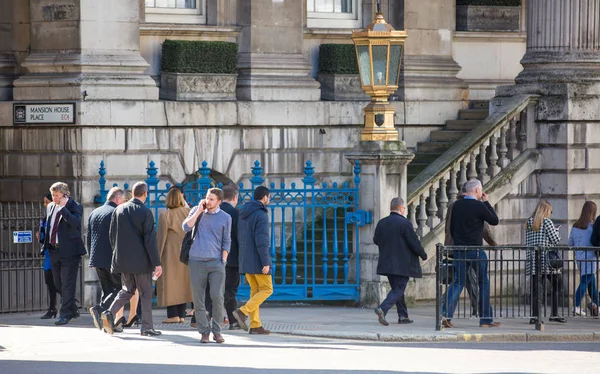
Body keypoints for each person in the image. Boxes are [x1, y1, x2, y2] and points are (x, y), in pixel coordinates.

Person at [101, 181, 163, 336]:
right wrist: (157, 263)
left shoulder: (118, 209)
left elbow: (111, 235)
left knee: (127, 290)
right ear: (145, 194)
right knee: (146, 293)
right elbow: (150, 240)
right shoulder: (145, 212)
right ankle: (147, 327)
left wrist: (118, 255)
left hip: (122, 260)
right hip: (141, 262)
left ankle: (109, 312)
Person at [441, 179, 500, 328]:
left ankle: (445, 315)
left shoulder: (456, 206)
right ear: (477, 191)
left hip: (460, 250)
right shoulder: (479, 206)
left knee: (458, 282)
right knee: (483, 283)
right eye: (481, 191)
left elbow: (452, 229)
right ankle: (485, 319)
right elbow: (494, 220)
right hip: (475, 250)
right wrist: (486, 202)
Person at [182, 187, 231, 343]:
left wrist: (223, 259)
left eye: (211, 199)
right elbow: (185, 227)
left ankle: (217, 331)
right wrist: (198, 212)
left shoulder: (226, 217)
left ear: (219, 202)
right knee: (198, 299)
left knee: (217, 297)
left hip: (216, 262)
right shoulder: (197, 211)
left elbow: (227, 240)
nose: (208, 201)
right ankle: (204, 331)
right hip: (196, 260)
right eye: (207, 198)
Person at [373, 197, 427, 326]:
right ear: (402, 208)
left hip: (387, 262)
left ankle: (403, 316)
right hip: (402, 264)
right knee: (398, 290)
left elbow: (376, 240)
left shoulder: (382, 222)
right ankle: (383, 308)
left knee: (397, 290)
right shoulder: (405, 223)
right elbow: (414, 243)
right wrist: (423, 255)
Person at [43, 182, 87, 326]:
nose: (54, 198)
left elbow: (75, 222)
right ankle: (73, 308)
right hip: (54, 250)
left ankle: (65, 313)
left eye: (57, 195)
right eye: (53, 195)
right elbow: (49, 225)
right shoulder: (50, 207)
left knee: (68, 284)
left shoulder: (75, 206)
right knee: (57, 283)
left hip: (69, 252)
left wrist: (63, 209)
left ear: (65, 194)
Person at [233, 186, 273, 335]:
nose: (269, 200)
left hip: (245, 258)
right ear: (264, 197)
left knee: (255, 291)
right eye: (269, 197)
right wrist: (266, 262)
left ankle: (255, 325)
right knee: (267, 289)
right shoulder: (261, 214)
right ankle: (243, 312)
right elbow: (262, 240)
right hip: (257, 260)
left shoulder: (243, 213)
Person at [88, 187, 127, 332]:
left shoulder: (94, 212)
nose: (123, 203)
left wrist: (91, 258)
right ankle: (100, 309)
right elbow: (119, 238)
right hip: (111, 258)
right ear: (117, 199)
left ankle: (108, 324)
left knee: (107, 291)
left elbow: (89, 236)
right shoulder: (116, 212)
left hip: (97, 257)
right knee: (119, 289)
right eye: (123, 201)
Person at [525, 200, 565, 324]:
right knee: (557, 285)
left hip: (533, 259)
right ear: (546, 211)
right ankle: (554, 313)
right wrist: (557, 230)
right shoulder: (547, 222)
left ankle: (535, 316)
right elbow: (555, 239)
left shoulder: (529, 222)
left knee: (537, 289)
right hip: (546, 261)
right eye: (550, 211)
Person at [157, 188, 192, 323]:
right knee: (183, 284)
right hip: (187, 254)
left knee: (170, 285)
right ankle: (182, 315)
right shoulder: (189, 212)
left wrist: (156, 259)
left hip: (170, 255)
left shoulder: (165, 215)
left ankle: (173, 315)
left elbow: (161, 239)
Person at [570, 201, 598, 317]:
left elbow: (570, 242)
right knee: (585, 281)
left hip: (579, 257)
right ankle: (576, 306)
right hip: (590, 257)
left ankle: (596, 304)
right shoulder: (592, 226)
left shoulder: (575, 226)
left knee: (592, 283)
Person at [220, 184, 241, 330]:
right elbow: (239, 236)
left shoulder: (215, 211)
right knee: (230, 289)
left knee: (213, 288)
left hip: (214, 256)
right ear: (235, 197)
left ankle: (203, 315)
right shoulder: (235, 213)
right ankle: (233, 320)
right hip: (232, 258)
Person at [37, 193, 59, 319]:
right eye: (44, 202)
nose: (45, 205)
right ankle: (52, 308)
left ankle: (69, 304)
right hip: (47, 255)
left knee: (57, 284)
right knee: (49, 282)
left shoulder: (56, 216)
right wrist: (40, 237)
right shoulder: (45, 218)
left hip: (55, 254)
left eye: (47, 202)